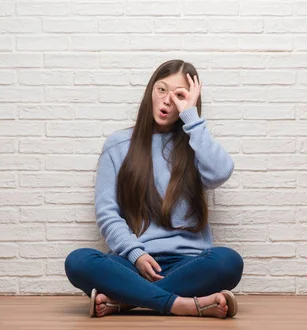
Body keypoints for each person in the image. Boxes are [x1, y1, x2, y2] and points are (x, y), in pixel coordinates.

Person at [64, 60, 243, 319]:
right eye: (161, 89)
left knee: (229, 262)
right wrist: (136, 255)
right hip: (132, 264)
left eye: (179, 95)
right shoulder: (118, 145)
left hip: (188, 264)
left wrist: (191, 118)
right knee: (78, 261)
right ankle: (182, 304)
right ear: (150, 91)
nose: (167, 100)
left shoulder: (195, 144)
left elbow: (221, 172)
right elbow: (107, 213)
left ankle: (125, 301)